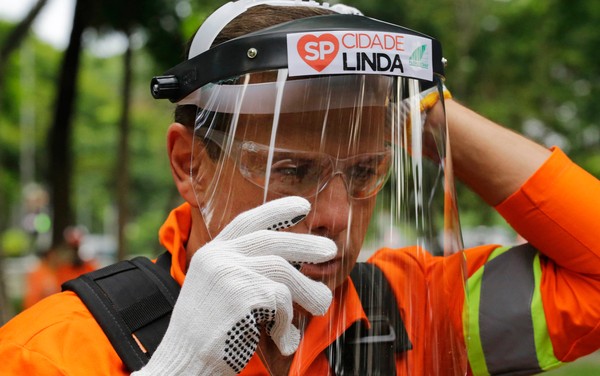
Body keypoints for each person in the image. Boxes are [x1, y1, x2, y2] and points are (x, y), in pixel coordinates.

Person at [1, 1, 600, 375]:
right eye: (290, 170)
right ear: (190, 166)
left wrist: (433, 111)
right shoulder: (54, 351)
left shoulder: (413, 310)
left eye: (365, 173)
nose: (335, 215)